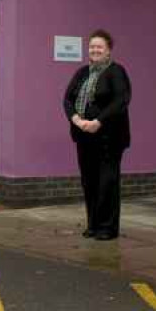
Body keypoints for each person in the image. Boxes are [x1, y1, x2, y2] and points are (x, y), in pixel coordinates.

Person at [62, 29, 132, 241]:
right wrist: (76, 119)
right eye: (92, 46)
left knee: (107, 183)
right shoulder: (82, 72)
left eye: (99, 47)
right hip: (84, 136)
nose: (94, 50)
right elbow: (67, 99)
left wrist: (98, 121)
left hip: (109, 139)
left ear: (108, 50)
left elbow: (120, 100)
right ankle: (92, 224)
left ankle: (107, 228)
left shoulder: (116, 72)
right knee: (89, 181)